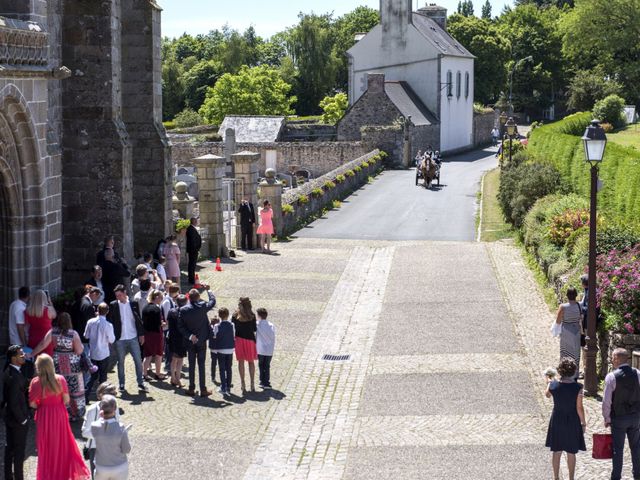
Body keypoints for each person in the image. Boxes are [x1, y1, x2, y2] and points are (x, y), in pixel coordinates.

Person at [29, 354, 90, 480]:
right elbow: (66, 400)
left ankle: (49, 475)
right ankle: (63, 473)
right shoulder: (60, 379)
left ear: (38, 367)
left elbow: (33, 404)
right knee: (62, 443)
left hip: (44, 415)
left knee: (46, 446)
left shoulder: (35, 382)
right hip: (59, 413)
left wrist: (43, 403)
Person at [31, 312, 86, 420]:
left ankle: (63, 412)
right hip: (72, 365)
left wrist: (32, 353)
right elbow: (79, 351)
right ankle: (76, 413)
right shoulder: (73, 334)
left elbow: (43, 344)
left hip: (57, 364)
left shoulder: (52, 332)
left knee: (59, 387)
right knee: (75, 388)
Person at [545, 357, 586, 480]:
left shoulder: (553, 385)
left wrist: (548, 381)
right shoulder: (578, 387)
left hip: (557, 419)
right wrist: (583, 422)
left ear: (560, 371)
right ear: (573, 371)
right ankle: (571, 478)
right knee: (571, 451)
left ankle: (556, 477)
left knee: (556, 451)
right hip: (572, 420)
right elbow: (579, 407)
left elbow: (547, 395)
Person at [603, 348, 640, 480]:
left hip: (618, 418)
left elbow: (606, 401)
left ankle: (616, 477)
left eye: (613, 357)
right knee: (636, 448)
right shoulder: (638, 374)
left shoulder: (611, 377)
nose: (612, 360)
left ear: (618, 359)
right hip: (635, 417)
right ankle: (638, 475)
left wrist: (607, 418)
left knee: (617, 450)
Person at [107, 285, 148, 394]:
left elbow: (138, 320)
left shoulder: (133, 303)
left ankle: (140, 382)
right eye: (117, 296)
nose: (118, 297)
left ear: (125, 293)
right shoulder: (113, 305)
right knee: (120, 362)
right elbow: (110, 322)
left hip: (133, 337)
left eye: (120, 295)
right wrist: (110, 338)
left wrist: (141, 334)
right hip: (120, 338)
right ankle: (121, 384)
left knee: (138, 361)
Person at [178, 286, 216, 397]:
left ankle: (191, 388)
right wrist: (209, 290)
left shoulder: (183, 310)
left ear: (188, 297)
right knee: (201, 365)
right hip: (201, 341)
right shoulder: (203, 307)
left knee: (191, 365)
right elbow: (212, 302)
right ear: (198, 297)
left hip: (190, 342)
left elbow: (180, 327)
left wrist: (190, 336)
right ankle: (203, 389)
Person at [82, 382, 120, 479]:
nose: (113, 397)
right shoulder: (92, 410)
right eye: (110, 395)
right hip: (95, 448)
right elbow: (85, 432)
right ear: (100, 395)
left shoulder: (115, 408)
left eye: (114, 395)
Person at [2, 345, 29, 480]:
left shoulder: (9, 371)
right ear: (13, 358)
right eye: (21, 354)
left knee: (9, 449)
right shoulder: (15, 376)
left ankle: (8, 477)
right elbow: (13, 402)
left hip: (10, 418)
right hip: (17, 420)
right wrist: (23, 420)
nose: (24, 356)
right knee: (18, 452)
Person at [91, 394, 131, 480]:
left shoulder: (94, 426)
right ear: (115, 409)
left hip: (101, 467)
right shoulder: (120, 427)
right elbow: (126, 449)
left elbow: (101, 424)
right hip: (119, 467)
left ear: (101, 410)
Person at [85, 303, 116, 391]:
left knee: (92, 376)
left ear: (97, 310)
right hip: (104, 353)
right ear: (107, 312)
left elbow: (86, 336)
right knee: (103, 376)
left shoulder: (90, 322)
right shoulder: (108, 325)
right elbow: (112, 340)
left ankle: (87, 394)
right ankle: (103, 394)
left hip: (93, 353)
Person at [555, 288, 582, 378]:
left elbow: (558, 321)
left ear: (567, 295)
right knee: (576, 353)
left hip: (566, 331)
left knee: (565, 352)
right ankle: (575, 374)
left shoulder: (563, 307)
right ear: (576, 295)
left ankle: (565, 373)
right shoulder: (579, 305)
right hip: (576, 331)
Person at [232, 297, 257, 394]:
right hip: (250, 340)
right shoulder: (252, 315)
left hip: (239, 340)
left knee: (241, 362)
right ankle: (252, 383)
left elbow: (233, 328)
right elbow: (254, 329)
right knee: (251, 362)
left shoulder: (235, 315)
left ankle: (243, 383)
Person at [142, 290, 166, 381]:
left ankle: (144, 374)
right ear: (156, 297)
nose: (161, 300)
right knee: (158, 354)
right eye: (161, 298)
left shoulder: (145, 308)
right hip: (156, 334)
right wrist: (163, 324)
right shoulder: (156, 309)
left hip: (147, 333)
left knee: (147, 355)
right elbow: (159, 323)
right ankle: (158, 373)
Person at [25, 289, 57, 358]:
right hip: (46, 340)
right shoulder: (49, 309)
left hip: (32, 339)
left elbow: (26, 326)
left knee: (34, 362)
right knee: (46, 363)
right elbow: (55, 315)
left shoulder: (27, 310)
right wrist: (50, 302)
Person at [211, 307, 234, 396]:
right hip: (230, 349)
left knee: (222, 368)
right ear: (228, 315)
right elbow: (233, 334)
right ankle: (228, 385)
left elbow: (215, 336)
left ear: (219, 316)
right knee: (229, 368)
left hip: (221, 349)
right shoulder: (232, 325)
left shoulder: (217, 326)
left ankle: (223, 386)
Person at [168, 294, 188, 387]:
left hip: (172, 338)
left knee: (173, 359)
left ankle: (173, 378)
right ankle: (178, 379)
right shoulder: (185, 313)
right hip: (181, 339)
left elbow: (168, 324)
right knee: (179, 360)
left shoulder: (171, 311)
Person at [256, 307, 275, 390]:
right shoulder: (271, 325)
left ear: (259, 316)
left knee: (261, 365)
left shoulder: (257, 324)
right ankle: (266, 382)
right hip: (269, 350)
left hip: (260, 349)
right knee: (267, 366)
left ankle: (261, 381)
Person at [186, 217, 202, 285]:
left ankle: (191, 278)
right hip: (193, 250)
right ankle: (191, 279)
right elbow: (193, 241)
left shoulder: (192, 228)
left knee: (193, 265)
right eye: (196, 221)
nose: (197, 222)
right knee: (192, 264)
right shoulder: (190, 229)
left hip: (193, 250)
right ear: (193, 222)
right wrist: (196, 248)